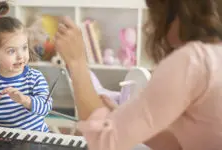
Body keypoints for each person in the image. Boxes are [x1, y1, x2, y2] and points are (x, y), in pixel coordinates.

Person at [54, 0, 222, 149]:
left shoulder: (193, 60)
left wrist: (76, 62)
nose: (153, 22)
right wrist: (131, 122)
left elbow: (104, 141)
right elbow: (178, 145)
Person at [0, 1, 52, 132]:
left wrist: (26, 100)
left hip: (35, 139)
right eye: (11, 51)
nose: (20, 56)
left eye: (24, 48)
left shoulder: (35, 78)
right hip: (2, 141)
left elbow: (46, 108)